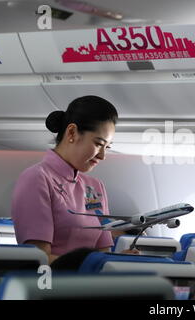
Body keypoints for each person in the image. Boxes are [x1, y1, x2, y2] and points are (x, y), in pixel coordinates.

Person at [11, 95, 136, 264]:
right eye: (99, 144)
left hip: (91, 288)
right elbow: (38, 259)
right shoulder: (37, 178)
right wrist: (96, 265)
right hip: (49, 286)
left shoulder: (95, 187)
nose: (103, 155)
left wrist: (122, 261)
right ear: (72, 132)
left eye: (107, 147)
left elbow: (103, 255)